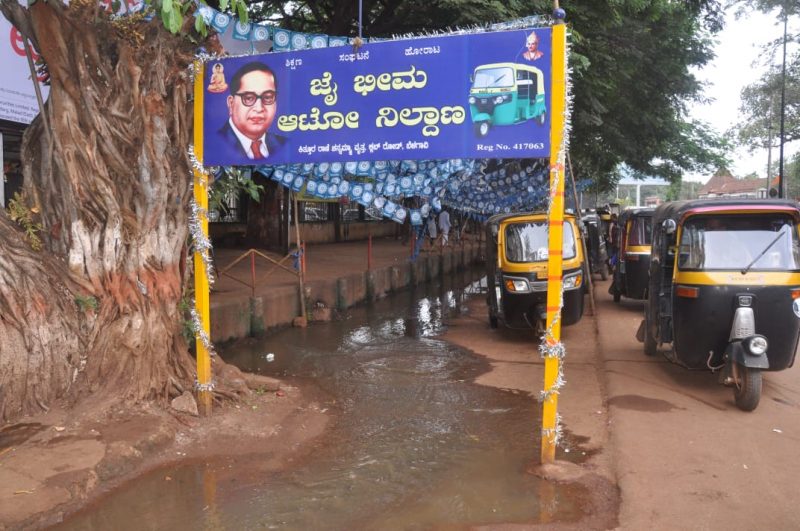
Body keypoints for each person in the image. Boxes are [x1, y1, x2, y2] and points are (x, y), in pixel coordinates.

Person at [217, 61, 287, 162]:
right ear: (231, 103)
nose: (259, 108)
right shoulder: (215, 144)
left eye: (267, 97)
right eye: (249, 98)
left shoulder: (284, 145)